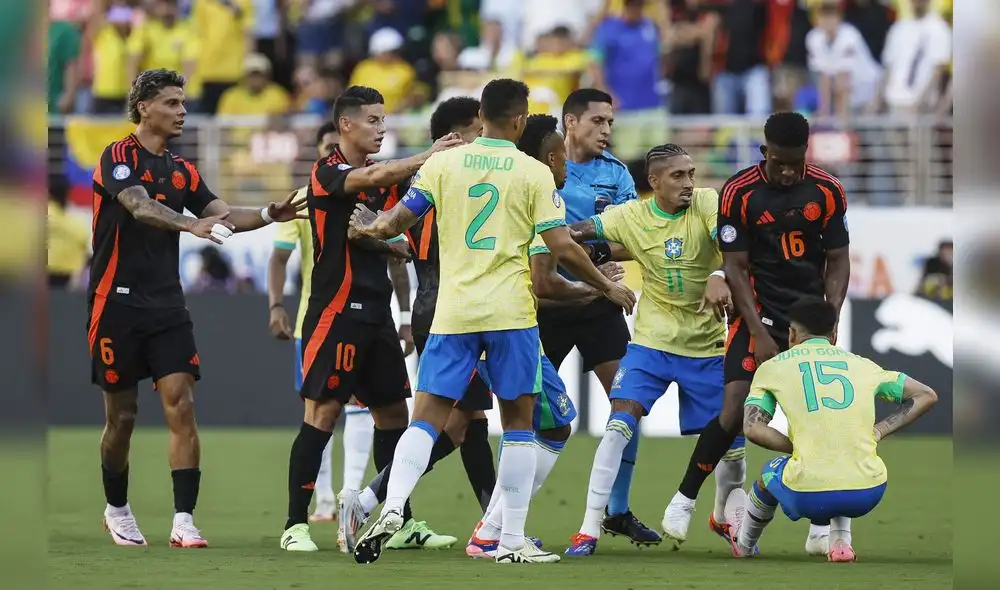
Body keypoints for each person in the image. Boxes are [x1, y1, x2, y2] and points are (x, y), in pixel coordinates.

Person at [347, 78, 636, 565]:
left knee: (427, 417)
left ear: (481, 117)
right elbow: (562, 246)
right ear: (520, 120)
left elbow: (396, 222)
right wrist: (606, 287)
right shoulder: (533, 172)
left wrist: (368, 227)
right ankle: (510, 540)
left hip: (453, 310)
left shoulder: (443, 164)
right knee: (519, 424)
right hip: (510, 313)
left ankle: (393, 505)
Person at [91, 68, 304, 548]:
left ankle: (183, 520)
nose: (182, 111)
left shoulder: (182, 169)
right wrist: (191, 226)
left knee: (182, 404)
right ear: (144, 107)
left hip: (167, 303)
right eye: (172, 103)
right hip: (115, 303)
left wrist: (268, 214)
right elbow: (139, 206)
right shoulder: (118, 156)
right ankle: (117, 508)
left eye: (183, 102)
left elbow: (221, 215)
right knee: (122, 417)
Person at [278, 85, 464, 553]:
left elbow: (400, 233)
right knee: (323, 413)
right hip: (335, 311)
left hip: (376, 312)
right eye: (373, 120)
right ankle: (295, 525)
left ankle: (400, 521)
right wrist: (431, 153)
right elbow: (375, 179)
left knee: (394, 415)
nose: (382, 129)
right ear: (346, 124)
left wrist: (383, 238)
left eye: (384, 120)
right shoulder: (327, 171)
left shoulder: (384, 181)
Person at [662, 111, 852, 555]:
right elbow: (734, 266)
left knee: (817, 419)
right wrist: (757, 331)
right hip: (759, 315)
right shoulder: (739, 192)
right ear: (764, 152)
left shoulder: (827, 190)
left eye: (795, 163)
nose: (787, 173)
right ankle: (684, 499)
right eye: (778, 163)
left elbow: (839, 259)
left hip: (810, 322)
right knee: (734, 408)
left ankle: (820, 529)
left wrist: (830, 318)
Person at [562, 144, 735, 556]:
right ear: (653, 182)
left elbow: (732, 244)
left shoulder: (707, 202)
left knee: (732, 443)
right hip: (651, 344)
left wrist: (718, 272)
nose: (688, 183)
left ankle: (725, 516)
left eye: (691, 173)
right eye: (677, 176)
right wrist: (552, 237)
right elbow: (572, 233)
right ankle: (588, 528)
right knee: (618, 424)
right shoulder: (631, 216)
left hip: (707, 346)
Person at [724, 297, 938, 562]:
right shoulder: (863, 365)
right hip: (869, 491)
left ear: (791, 334)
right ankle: (840, 543)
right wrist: (880, 430)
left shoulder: (772, 368)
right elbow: (926, 395)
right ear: (834, 335)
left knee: (766, 477)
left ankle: (744, 544)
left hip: (808, 496)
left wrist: (803, 448)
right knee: (843, 459)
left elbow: (752, 428)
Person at [541, 88, 659, 545]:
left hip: (599, 303)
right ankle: (503, 516)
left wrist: (587, 254)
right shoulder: (540, 167)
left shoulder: (616, 174)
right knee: (524, 408)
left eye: (610, 121)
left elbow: (634, 239)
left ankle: (618, 510)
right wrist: (581, 253)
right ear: (570, 122)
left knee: (628, 403)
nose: (607, 129)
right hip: (547, 303)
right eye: (597, 120)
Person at [267, 121, 380, 548]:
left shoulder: (371, 191)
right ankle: (324, 500)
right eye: (328, 146)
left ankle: (350, 494)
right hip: (315, 322)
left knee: (362, 409)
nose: (334, 151)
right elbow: (279, 257)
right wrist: (275, 304)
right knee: (320, 413)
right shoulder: (305, 196)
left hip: (364, 314)